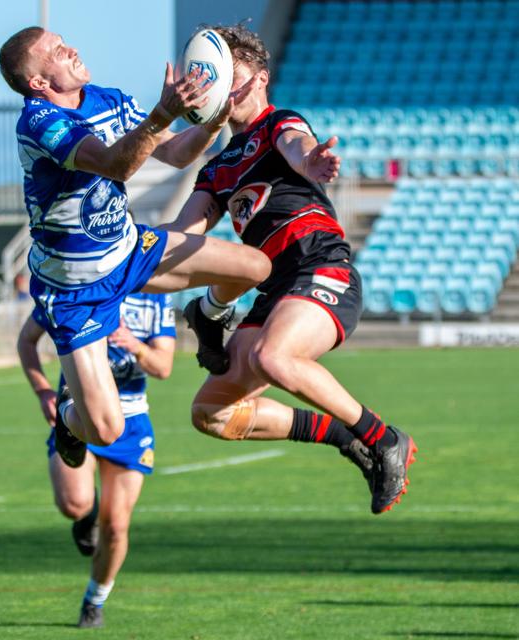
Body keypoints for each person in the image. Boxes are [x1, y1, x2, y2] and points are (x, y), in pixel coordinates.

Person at [167, 24, 417, 515]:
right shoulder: (215, 169)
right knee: (211, 414)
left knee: (275, 360)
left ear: (260, 78)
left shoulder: (276, 123)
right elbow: (182, 233)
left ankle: (384, 438)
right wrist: (129, 246)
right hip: (274, 288)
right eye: (216, 80)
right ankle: (345, 437)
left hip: (321, 265)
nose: (225, 90)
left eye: (232, 78)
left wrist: (312, 161)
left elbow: (297, 146)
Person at [0, 27, 271, 463]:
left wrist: (216, 114)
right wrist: (162, 113)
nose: (68, 46)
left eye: (64, 39)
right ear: (39, 83)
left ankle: (206, 316)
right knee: (106, 430)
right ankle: (70, 417)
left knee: (255, 267)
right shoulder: (39, 122)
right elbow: (115, 165)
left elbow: (177, 153)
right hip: (73, 291)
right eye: (53, 50)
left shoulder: (107, 99)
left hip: (128, 252)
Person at [17, 292, 176, 628]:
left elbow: (164, 367)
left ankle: (95, 600)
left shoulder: (156, 299)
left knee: (116, 526)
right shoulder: (77, 285)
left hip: (131, 423)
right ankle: (85, 516)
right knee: (75, 504)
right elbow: (27, 341)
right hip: (78, 415)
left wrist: (135, 345)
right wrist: (43, 390)